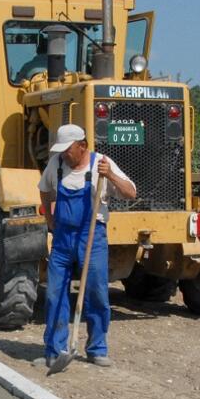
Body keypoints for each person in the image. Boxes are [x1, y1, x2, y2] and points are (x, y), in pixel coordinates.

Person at [37, 124, 137, 368]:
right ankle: (55, 349)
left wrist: (110, 176)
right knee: (54, 293)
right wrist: (50, 220)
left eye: (68, 150)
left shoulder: (101, 163)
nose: (64, 155)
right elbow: (44, 190)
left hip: (91, 236)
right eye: (61, 150)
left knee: (96, 291)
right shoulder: (56, 165)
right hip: (62, 237)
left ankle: (97, 348)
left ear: (82, 146)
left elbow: (130, 193)